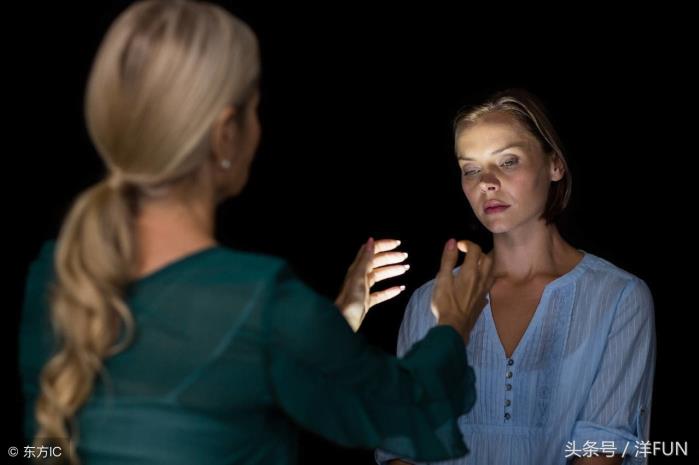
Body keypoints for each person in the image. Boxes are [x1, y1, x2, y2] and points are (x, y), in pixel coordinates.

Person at [18, 1, 495, 464]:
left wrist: (335, 321)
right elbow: (411, 412)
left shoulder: (59, 273)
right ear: (226, 132)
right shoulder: (262, 301)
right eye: (254, 109)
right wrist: (454, 322)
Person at [377, 89, 656, 465]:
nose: (486, 182)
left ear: (554, 165)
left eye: (508, 161)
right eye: (471, 169)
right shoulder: (429, 301)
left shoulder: (619, 297)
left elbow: (601, 451)